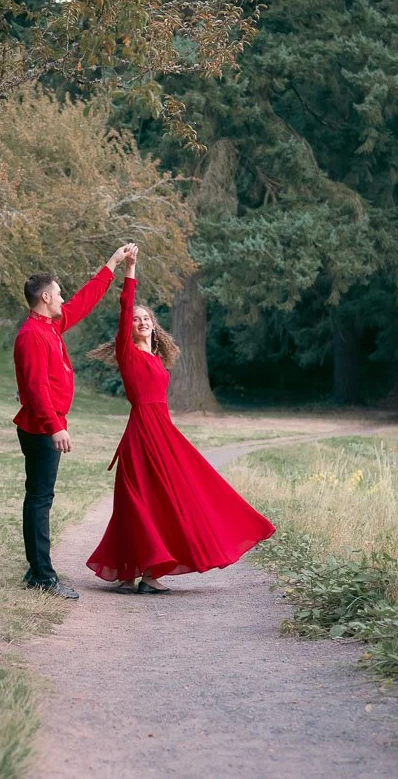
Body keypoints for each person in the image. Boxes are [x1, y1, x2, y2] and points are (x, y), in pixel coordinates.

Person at [86, 246, 275, 594]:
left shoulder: (157, 359)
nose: (141, 322)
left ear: (153, 326)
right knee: (134, 501)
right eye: (137, 319)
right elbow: (126, 309)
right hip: (141, 432)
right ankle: (132, 572)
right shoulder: (126, 353)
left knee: (176, 493)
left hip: (162, 431)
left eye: (147, 319)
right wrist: (129, 269)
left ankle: (146, 574)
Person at [14, 243, 137, 599]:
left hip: (45, 425)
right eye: (59, 293)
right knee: (39, 499)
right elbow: (36, 391)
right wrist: (56, 427)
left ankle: (36, 568)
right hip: (40, 427)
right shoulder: (32, 335)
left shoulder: (50, 325)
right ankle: (41, 576)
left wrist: (113, 264)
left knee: (39, 497)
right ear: (47, 296)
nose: (63, 297)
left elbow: (84, 302)